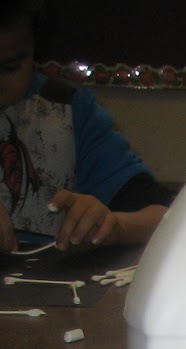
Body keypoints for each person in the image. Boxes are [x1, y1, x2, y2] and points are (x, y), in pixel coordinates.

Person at [0, 0, 168, 252]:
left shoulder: (68, 111)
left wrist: (116, 226)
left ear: (35, 49)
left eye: (10, 67)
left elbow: (163, 217)